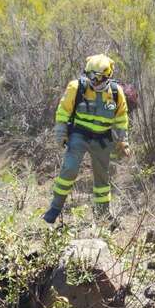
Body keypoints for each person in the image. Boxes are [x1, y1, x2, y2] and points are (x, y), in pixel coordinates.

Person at [43, 54, 130, 224]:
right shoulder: (76, 88)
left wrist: (123, 141)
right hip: (79, 136)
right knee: (69, 169)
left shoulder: (116, 92)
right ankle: (55, 208)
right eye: (90, 76)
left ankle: (103, 216)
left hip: (102, 140)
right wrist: (61, 134)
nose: (94, 81)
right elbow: (63, 112)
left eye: (98, 78)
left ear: (108, 76)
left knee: (102, 179)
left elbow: (121, 119)